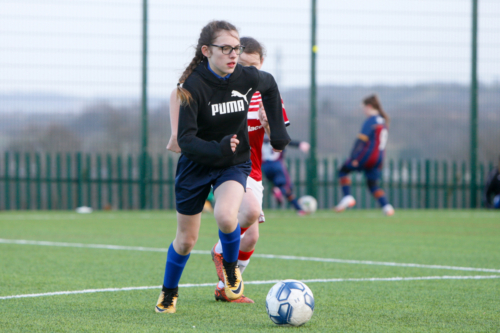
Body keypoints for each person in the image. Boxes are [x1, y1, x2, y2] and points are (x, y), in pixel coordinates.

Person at [156, 20, 290, 314]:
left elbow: (270, 86)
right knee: (186, 240)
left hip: (233, 163)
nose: (233, 54)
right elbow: (185, 141)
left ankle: (230, 270)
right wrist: (216, 147)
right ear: (206, 51)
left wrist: (278, 134)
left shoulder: (244, 76)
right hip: (196, 166)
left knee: (227, 216)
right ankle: (169, 293)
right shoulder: (191, 88)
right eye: (226, 48)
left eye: (236, 48)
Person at [334, 94, 395, 216]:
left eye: (363, 108)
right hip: (379, 158)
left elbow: (361, 140)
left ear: (369, 106)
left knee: (343, 170)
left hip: (367, 156)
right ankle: (387, 207)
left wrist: (354, 157)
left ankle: (348, 197)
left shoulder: (371, 120)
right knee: (372, 184)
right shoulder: (383, 121)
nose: (363, 111)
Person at [261, 136, 310, 215]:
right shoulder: (276, 135)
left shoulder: (260, 137)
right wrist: (300, 144)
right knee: (287, 187)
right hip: (277, 165)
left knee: (286, 190)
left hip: (265, 166)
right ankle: (279, 192)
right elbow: (286, 140)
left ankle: (299, 209)